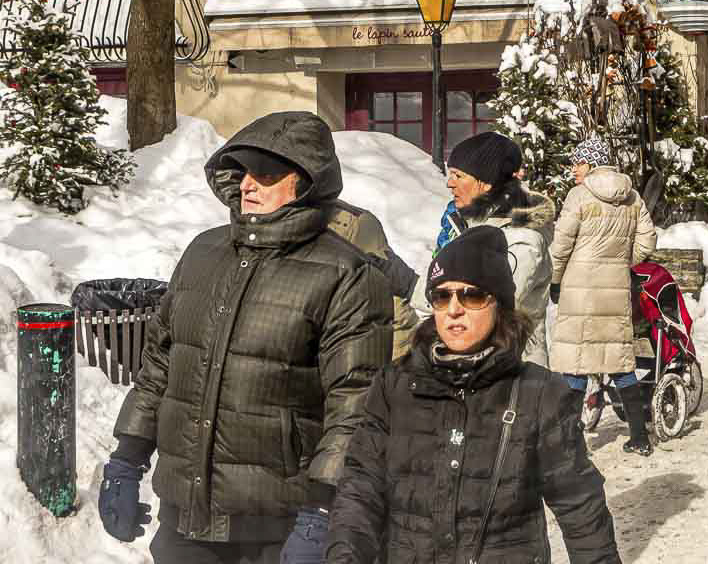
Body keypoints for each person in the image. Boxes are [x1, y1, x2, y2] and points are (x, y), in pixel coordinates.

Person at [100, 112, 394, 563]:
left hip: (278, 526)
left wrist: (322, 510)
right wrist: (126, 459)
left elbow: (356, 404)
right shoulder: (203, 252)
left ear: (307, 182)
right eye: (243, 172)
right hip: (185, 519)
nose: (248, 185)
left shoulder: (347, 275)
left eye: (267, 173)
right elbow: (159, 366)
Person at [326, 227, 621, 564]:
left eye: (472, 295)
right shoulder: (395, 384)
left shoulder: (539, 393)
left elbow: (580, 506)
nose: (454, 309)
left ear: (499, 305)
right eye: (442, 296)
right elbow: (361, 486)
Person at [551, 138, 658, 456]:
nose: (573, 170)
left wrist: (555, 280)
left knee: (576, 364)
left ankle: (570, 443)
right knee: (620, 362)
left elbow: (561, 246)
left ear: (591, 164)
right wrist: (624, 261)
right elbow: (648, 240)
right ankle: (639, 436)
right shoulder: (632, 196)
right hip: (615, 289)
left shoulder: (579, 196)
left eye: (578, 163)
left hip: (579, 291)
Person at [437, 132, 555, 366]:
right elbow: (432, 294)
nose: (450, 183)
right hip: (473, 368)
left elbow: (487, 304)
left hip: (513, 374)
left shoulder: (523, 240)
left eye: (458, 175)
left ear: (487, 183)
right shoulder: (462, 226)